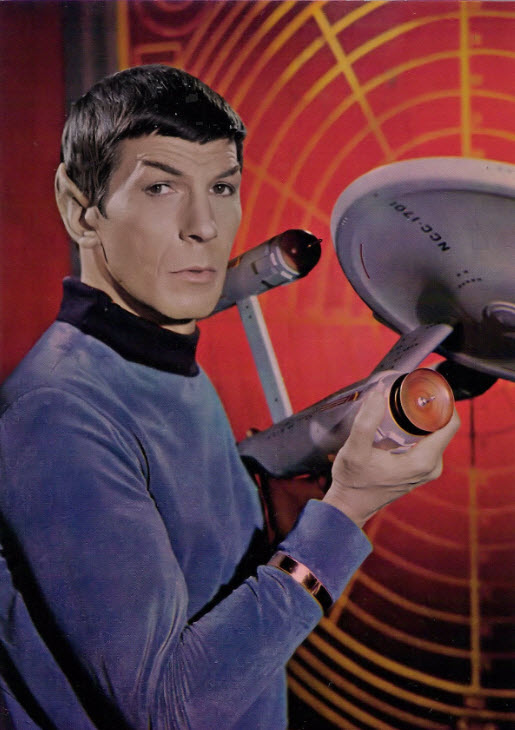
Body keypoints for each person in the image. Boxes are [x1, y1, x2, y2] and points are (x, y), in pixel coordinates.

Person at [0, 65, 459, 729]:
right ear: (80, 209)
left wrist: (271, 514)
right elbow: (169, 710)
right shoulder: (59, 413)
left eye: (221, 188)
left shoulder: (156, 358)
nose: (204, 227)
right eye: (160, 187)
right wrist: (346, 510)